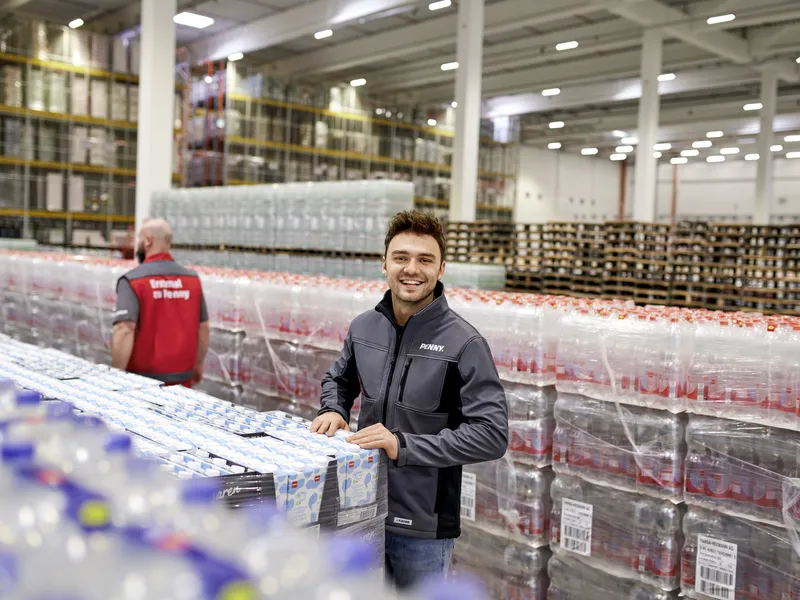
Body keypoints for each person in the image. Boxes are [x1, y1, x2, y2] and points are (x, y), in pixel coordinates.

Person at [311, 210, 508, 589]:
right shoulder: (364, 326)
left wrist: (403, 445)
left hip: (422, 526)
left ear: (441, 268)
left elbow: (492, 434)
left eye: (425, 259)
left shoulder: (465, 343)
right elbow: (339, 377)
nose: (411, 269)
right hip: (361, 509)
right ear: (384, 264)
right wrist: (333, 408)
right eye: (401, 257)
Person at [111, 218, 210, 387]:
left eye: (139, 239)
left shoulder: (133, 281)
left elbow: (124, 329)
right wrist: (198, 364)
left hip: (141, 384)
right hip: (182, 382)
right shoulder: (192, 280)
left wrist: (115, 377)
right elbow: (204, 328)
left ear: (148, 241)